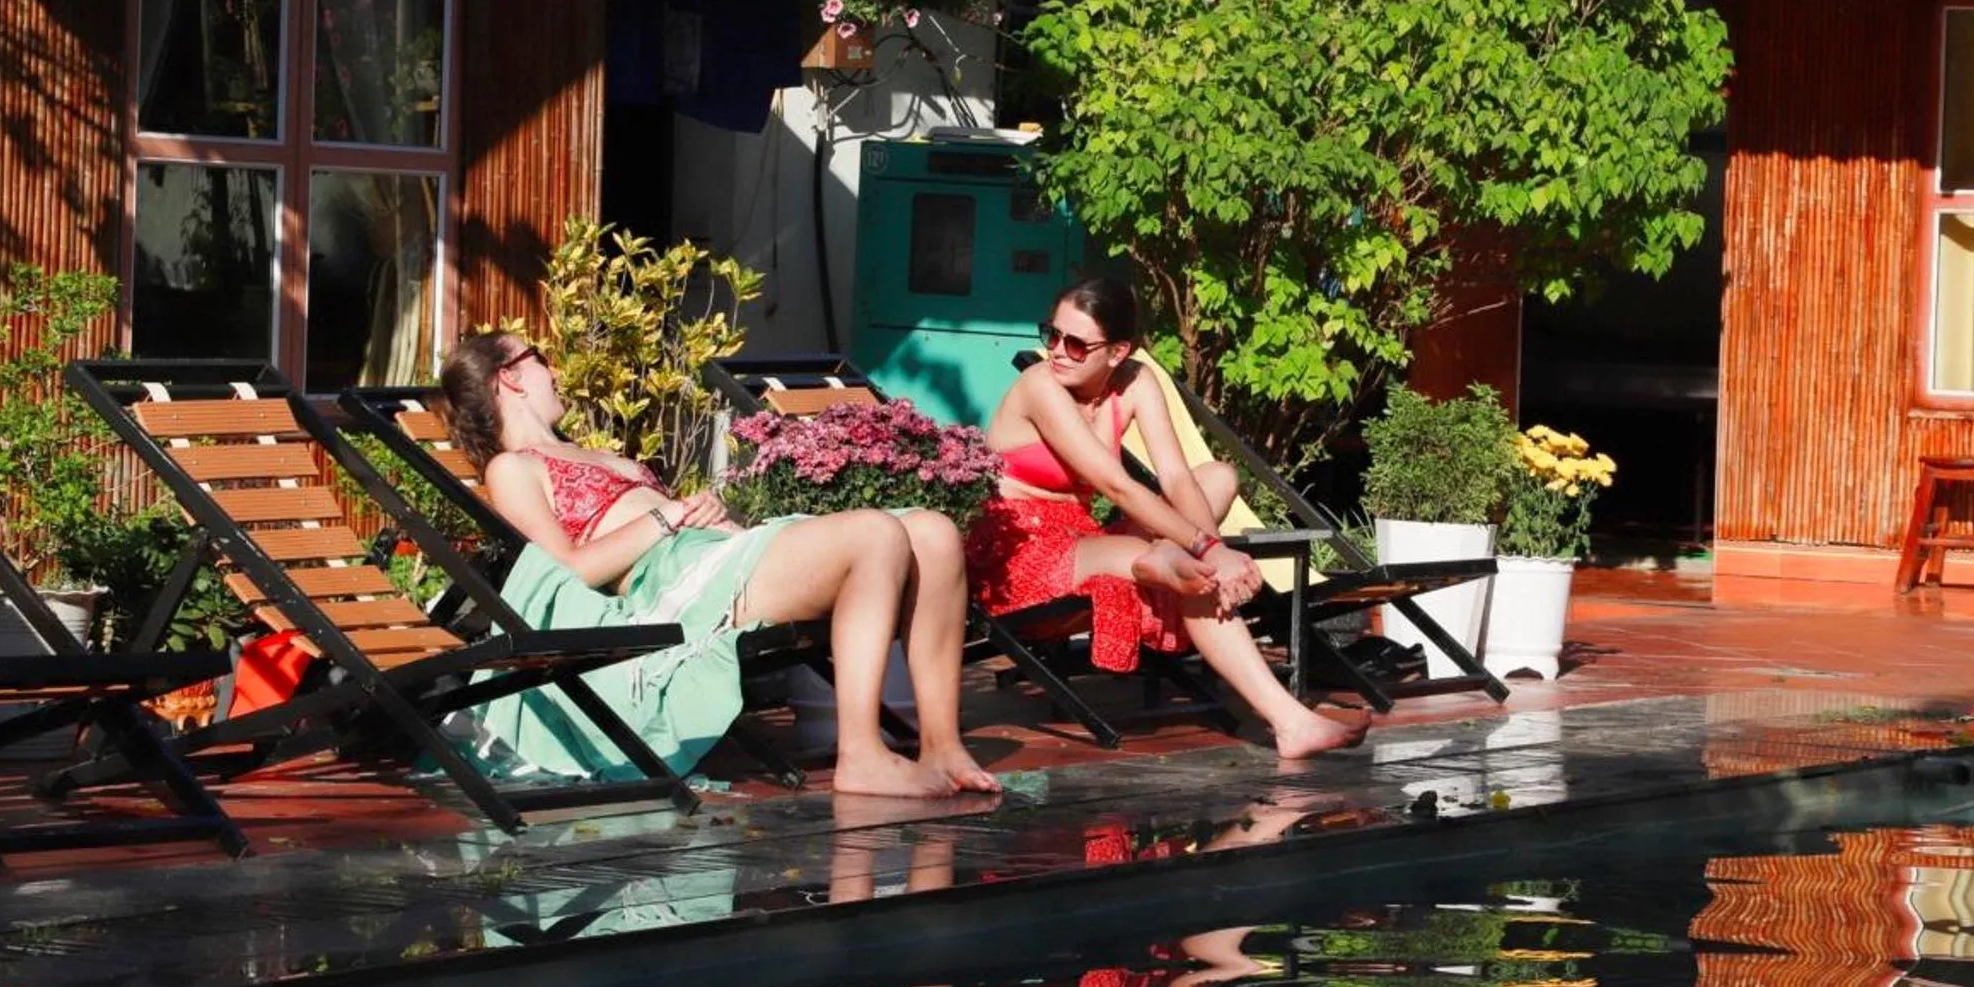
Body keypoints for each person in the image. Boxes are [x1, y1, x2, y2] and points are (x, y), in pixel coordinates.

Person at [440, 331, 996, 797]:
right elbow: (567, 569)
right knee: (875, 533)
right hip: (675, 584)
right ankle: (862, 755)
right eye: (539, 356)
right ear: (508, 377)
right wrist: (668, 519)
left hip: (717, 555)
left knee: (934, 532)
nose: (552, 368)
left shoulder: (590, 450)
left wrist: (701, 515)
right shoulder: (512, 467)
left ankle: (943, 746)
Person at [966, 279, 1368, 759]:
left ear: (1117, 351)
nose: (1057, 351)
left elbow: (1176, 479)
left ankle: (1176, 564)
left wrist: (1213, 552)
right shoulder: (1040, 386)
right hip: (1015, 549)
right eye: (1050, 334)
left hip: (1078, 534)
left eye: (1075, 343)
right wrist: (1207, 551)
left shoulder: (1136, 381)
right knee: (1184, 566)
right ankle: (1287, 720)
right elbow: (1117, 486)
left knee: (1216, 478)